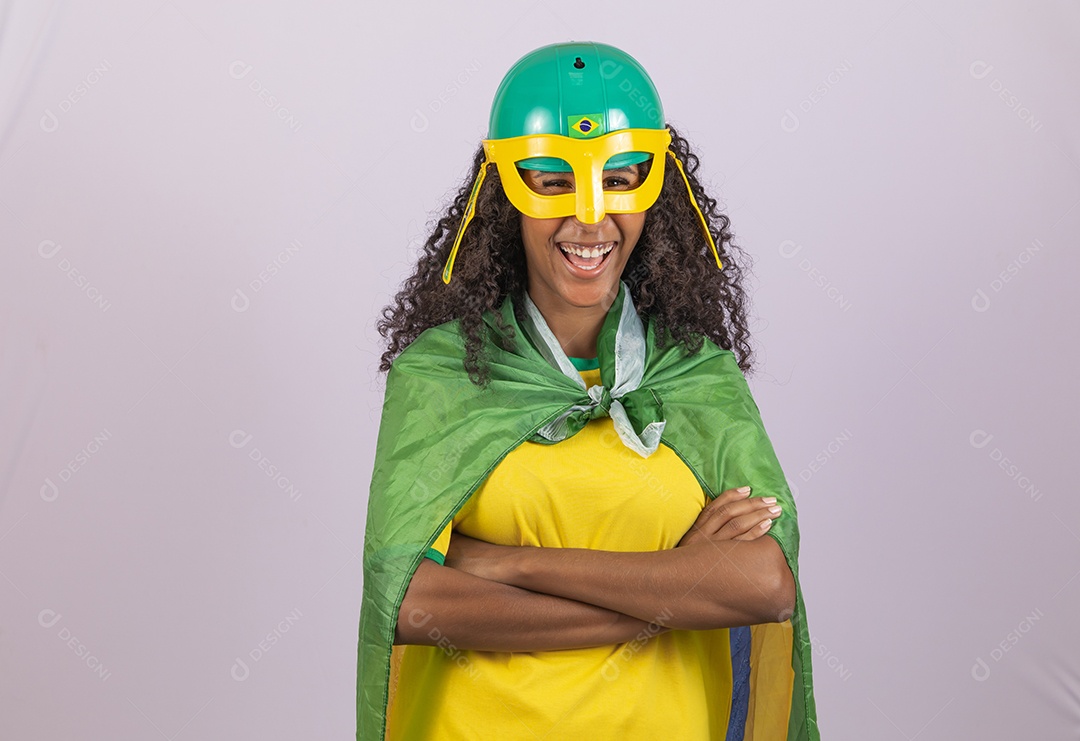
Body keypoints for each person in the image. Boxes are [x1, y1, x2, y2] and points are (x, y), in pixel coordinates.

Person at [357, 41, 819, 740]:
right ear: (502, 192)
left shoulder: (695, 373)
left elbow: (766, 583)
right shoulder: (442, 373)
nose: (591, 219)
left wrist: (506, 562)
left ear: (658, 186)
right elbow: (411, 599)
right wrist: (679, 583)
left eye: (624, 176)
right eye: (551, 182)